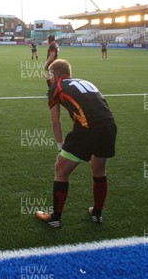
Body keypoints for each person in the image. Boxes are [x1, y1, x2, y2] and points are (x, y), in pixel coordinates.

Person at [35, 59, 117, 229]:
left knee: (61, 171)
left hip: (87, 129)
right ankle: (97, 214)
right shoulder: (85, 82)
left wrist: (60, 149)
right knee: (99, 171)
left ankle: (55, 218)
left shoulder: (55, 87)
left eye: (49, 74)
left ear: (53, 74)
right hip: (109, 126)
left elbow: (56, 122)